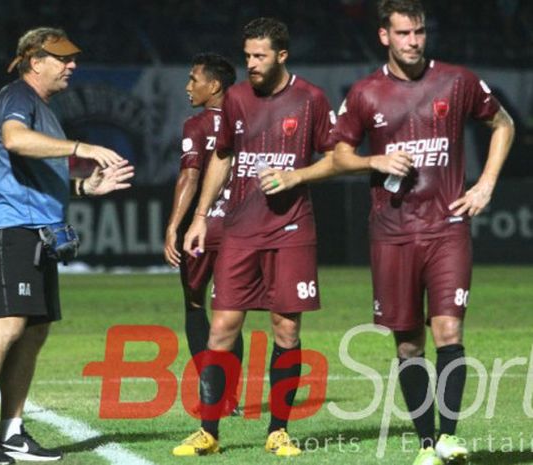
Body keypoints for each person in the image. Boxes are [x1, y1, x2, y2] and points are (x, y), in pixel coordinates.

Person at [332, 1, 515, 464]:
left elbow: (503, 124)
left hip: (447, 226)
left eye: (419, 32)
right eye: (404, 33)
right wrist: (373, 160)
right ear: (384, 36)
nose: (413, 41)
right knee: (409, 342)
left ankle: (450, 436)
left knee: (448, 329)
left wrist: (486, 183)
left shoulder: (456, 80)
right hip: (392, 232)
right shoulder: (365, 93)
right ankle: (426, 444)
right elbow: (337, 156)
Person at [0, 27, 134, 465]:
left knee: (33, 332)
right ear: (36, 61)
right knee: (7, 325)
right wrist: (81, 146)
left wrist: (85, 186)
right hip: (13, 228)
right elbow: (14, 140)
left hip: (41, 232)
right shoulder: (17, 96)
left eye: (72, 58)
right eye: (62, 58)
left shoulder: (44, 109)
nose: (71, 64)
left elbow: (39, 173)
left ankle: (12, 430)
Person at [175, 18, 337, 457]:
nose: (251, 64)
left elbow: (337, 158)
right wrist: (201, 217)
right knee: (223, 326)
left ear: (282, 56)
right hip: (240, 232)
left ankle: (278, 430)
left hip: (291, 231)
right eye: (247, 56)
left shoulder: (311, 99)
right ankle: (208, 430)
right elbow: (222, 156)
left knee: (285, 328)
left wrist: (295, 175)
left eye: (260, 56)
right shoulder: (238, 99)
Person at [163, 52, 243, 416]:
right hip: (242, 229)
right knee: (230, 309)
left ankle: (212, 392)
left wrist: (172, 226)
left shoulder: (196, 125)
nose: (188, 86)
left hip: (203, 230)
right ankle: (231, 397)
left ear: (214, 86)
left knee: (195, 306)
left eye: (194, 79)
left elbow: (190, 176)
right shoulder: (250, 121)